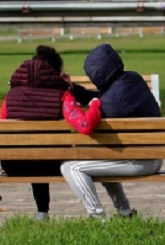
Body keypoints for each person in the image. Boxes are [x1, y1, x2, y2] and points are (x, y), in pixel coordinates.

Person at [61, 43, 163, 219]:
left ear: (96, 75)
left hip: (138, 162)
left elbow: (91, 119)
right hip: (154, 157)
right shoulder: (133, 79)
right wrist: (73, 88)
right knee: (102, 160)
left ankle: (97, 216)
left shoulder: (111, 103)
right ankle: (125, 212)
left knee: (71, 167)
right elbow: (102, 97)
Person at [0, 45, 100, 220]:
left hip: (14, 165)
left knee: (33, 152)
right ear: (55, 72)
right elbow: (84, 126)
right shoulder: (62, 95)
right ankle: (98, 211)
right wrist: (95, 104)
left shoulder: (11, 96)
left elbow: (2, 128)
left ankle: (42, 212)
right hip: (53, 164)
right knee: (44, 153)